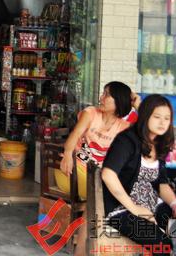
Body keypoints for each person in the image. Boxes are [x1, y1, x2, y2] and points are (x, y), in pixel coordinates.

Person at [101, 94, 176, 256]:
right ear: (146, 116)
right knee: (162, 245)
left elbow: (161, 183)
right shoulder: (126, 140)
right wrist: (135, 209)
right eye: (157, 117)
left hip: (151, 203)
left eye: (167, 118)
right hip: (122, 208)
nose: (162, 123)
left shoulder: (159, 143)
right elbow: (108, 174)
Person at [59, 81, 138, 256]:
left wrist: (137, 103)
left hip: (97, 181)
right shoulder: (90, 113)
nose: (101, 97)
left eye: (107, 95)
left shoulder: (124, 128)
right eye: (103, 93)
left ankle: (85, 251)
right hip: (73, 172)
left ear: (119, 101)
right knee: (101, 197)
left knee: (98, 198)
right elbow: (74, 136)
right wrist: (68, 153)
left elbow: (146, 130)